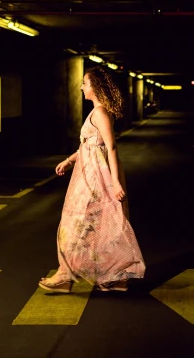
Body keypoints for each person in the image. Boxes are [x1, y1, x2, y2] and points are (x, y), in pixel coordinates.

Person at [39, 66, 146, 293]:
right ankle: (113, 278)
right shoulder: (96, 112)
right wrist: (69, 160)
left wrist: (115, 182)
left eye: (84, 83)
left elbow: (111, 147)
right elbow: (89, 147)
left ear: (95, 87)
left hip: (97, 180)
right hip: (87, 176)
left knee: (75, 224)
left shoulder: (100, 113)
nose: (81, 87)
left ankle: (65, 276)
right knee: (98, 226)